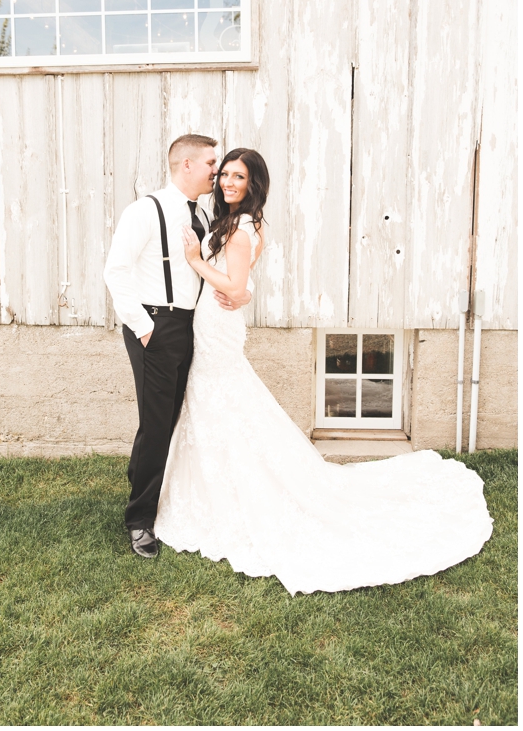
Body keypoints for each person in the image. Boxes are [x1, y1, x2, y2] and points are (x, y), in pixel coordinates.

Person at [153, 148, 494, 595]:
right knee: (220, 400)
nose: (228, 183)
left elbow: (235, 284)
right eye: (225, 176)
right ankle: (215, 486)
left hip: (218, 326)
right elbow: (243, 284)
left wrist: (198, 261)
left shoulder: (238, 228)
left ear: (253, 184)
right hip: (218, 321)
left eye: (238, 177)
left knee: (221, 399)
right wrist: (238, 289)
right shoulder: (241, 223)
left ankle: (233, 495)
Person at [103, 134, 254, 558]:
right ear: (186, 165)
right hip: (157, 324)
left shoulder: (204, 216)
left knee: (171, 417)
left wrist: (241, 294)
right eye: (210, 163)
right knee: (156, 421)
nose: (216, 171)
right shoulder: (146, 210)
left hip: (196, 326)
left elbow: (219, 271)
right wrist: (144, 328)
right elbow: (116, 270)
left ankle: (144, 476)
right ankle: (139, 520)